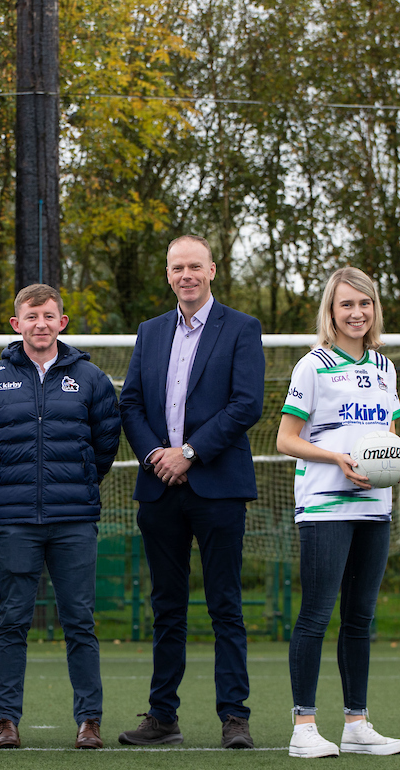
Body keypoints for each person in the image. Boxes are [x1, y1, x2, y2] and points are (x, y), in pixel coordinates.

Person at [117, 235, 265, 749]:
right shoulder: (150, 332)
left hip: (218, 488)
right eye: (177, 267)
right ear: (167, 274)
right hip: (159, 489)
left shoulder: (242, 329)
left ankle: (234, 718)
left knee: (225, 604)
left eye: (195, 267)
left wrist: (191, 453)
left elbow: (247, 404)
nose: (186, 275)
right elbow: (130, 403)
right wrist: (158, 455)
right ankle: (163, 717)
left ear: (212, 270)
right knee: (167, 606)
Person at [0, 284, 121, 751]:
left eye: (49, 316)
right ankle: (5, 721)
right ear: (17, 324)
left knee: (80, 622)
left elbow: (105, 444)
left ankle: (89, 721)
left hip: (75, 520)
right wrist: (6, 489)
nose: (41, 324)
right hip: (14, 520)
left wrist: (78, 481)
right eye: (31, 317)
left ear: (62, 322)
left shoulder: (91, 379)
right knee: (12, 621)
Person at [275, 266, 400, 758]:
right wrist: (336, 458)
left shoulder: (385, 368)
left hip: (376, 505)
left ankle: (356, 723)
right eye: (346, 305)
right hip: (325, 505)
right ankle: (304, 727)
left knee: (360, 616)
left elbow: (391, 435)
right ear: (331, 313)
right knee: (316, 614)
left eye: (365, 304)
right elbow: (286, 438)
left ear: (375, 310)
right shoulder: (311, 366)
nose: (357, 313)